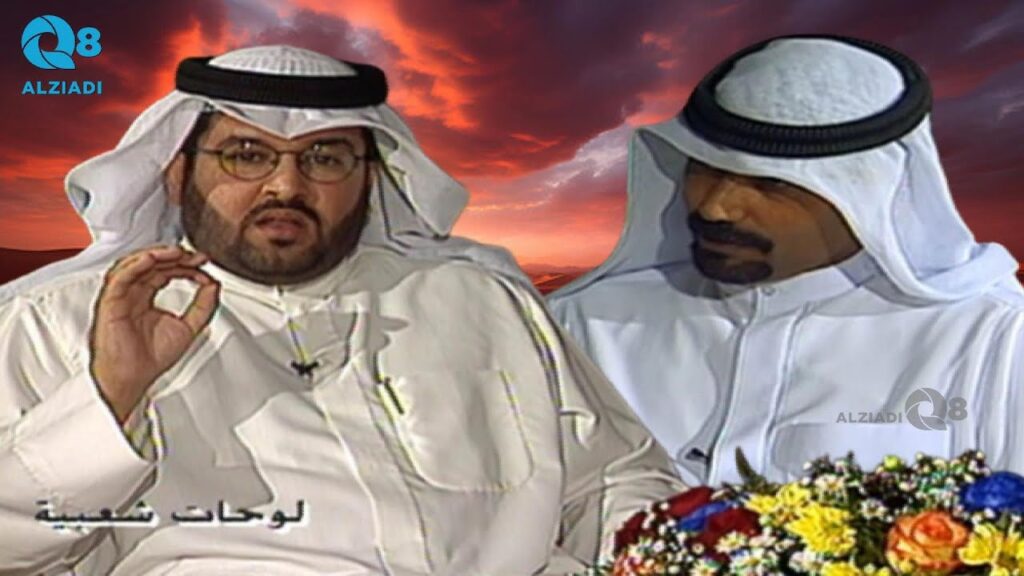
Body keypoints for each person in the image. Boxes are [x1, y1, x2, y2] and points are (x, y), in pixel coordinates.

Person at [0, 45, 682, 575]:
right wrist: (110, 395)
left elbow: (614, 479)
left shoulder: (481, 301)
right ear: (178, 173)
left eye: (325, 158)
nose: (286, 185)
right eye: (245, 155)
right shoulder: (61, 319)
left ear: (372, 176)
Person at [548, 35, 1024, 486]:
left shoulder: (990, 343)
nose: (715, 208)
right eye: (704, 169)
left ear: (867, 191)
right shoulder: (584, 327)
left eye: (769, 184)